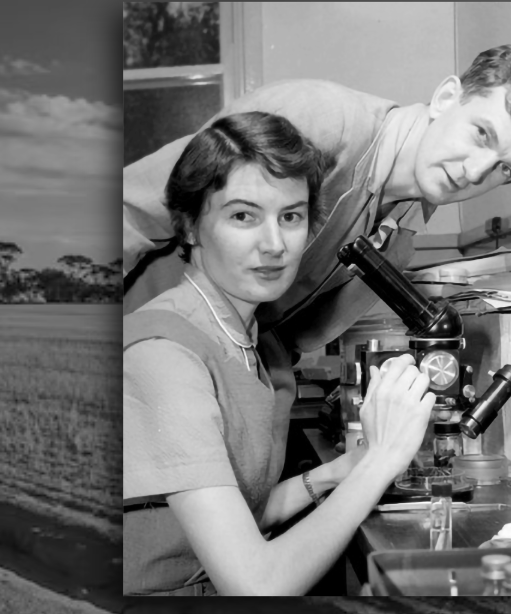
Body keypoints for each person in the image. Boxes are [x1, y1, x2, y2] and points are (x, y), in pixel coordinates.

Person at [122, 44, 511, 418]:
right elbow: (131, 209)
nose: (474, 171)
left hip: (200, 394)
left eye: (505, 170)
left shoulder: (400, 238)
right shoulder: (323, 120)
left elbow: (284, 340)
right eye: (481, 134)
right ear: (447, 98)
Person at [123, 111, 436, 596]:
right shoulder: (163, 354)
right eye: (243, 216)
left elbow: (238, 512)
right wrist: (382, 463)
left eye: (290, 216)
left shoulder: (256, 343)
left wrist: (343, 470)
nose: (274, 245)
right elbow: (254, 585)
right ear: (188, 227)